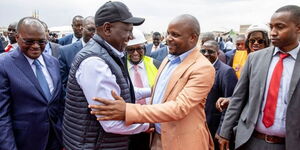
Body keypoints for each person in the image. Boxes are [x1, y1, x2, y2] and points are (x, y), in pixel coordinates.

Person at [89, 14, 215, 150]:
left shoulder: (203, 67)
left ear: (193, 38)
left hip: (182, 142)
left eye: (175, 35)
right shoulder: (169, 59)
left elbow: (179, 108)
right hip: (156, 137)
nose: (168, 39)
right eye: (167, 33)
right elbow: (158, 93)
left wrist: (128, 110)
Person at [62, 2, 150, 150]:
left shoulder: (108, 54)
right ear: (107, 28)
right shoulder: (95, 63)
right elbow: (112, 122)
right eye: (128, 30)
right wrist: (151, 122)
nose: (131, 36)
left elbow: (122, 92)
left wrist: (152, 90)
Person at [218, 5, 300, 150]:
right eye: (272, 27)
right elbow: (238, 97)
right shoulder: (255, 59)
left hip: (289, 144)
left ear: (298, 28)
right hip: (251, 140)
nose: (273, 33)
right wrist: (225, 132)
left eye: (280, 27)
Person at [0, 17, 63, 150]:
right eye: (29, 41)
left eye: (41, 42)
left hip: (55, 140)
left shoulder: (54, 62)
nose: (35, 46)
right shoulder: (4, 65)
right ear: (17, 38)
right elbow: (2, 116)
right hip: (23, 142)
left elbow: (59, 103)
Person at [200, 40, 238, 150]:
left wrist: (222, 130)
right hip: (200, 126)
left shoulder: (226, 72)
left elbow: (231, 104)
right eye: (203, 51)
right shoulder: (199, 69)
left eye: (210, 51)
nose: (206, 54)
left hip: (215, 128)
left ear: (218, 53)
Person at [125, 28, 159, 150]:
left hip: (151, 121)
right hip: (127, 122)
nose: (135, 53)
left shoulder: (156, 64)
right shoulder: (119, 67)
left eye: (139, 48)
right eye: (130, 49)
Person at [58, 16, 95, 96]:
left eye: (97, 31)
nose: (94, 34)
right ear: (82, 29)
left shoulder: (106, 51)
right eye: (90, 29)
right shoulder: (65, 51)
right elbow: (61, 83)